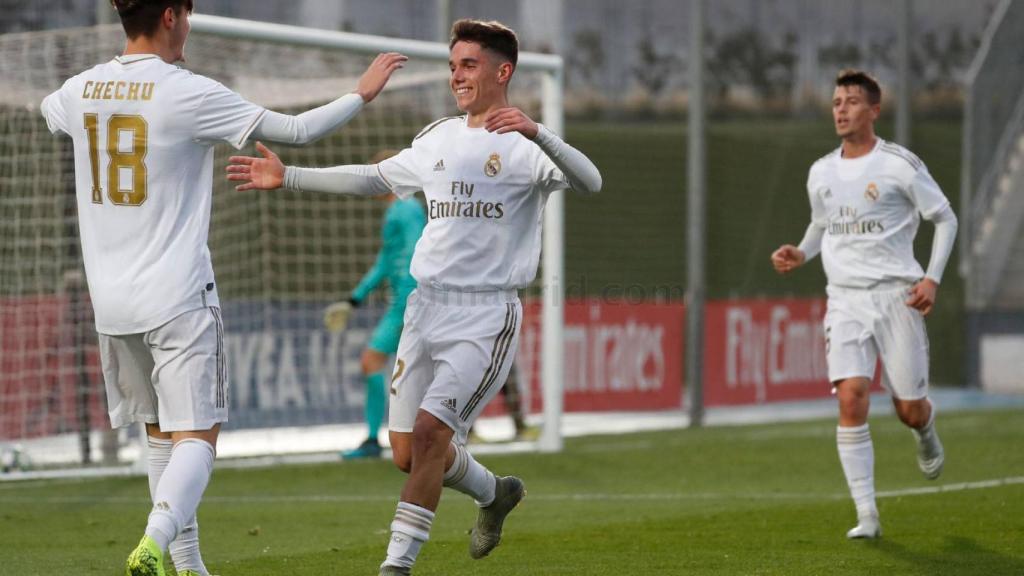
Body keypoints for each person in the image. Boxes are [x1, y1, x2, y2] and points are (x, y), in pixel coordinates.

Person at [40, 1, 405, 574]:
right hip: (178, 297)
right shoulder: (185, 91)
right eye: (187, 13)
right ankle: (153, 544)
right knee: (198, 440)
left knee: (162, 438)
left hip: (110, 303)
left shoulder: (81, 88)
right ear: (168, 16)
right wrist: (360, 94)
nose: (190, 25)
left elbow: (49, 109)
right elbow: (297, 131)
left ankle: (188, 567)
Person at [227, 18, 601, 575]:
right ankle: (494, 493)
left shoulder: (526, 146)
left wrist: (539, 132)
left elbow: (591, 181)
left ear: (504, 71)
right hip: (424, 310)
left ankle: (394, 568)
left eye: (468, 65)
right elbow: (373, 177)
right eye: (453, 66)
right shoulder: (437, 139)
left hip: (484, 316)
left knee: (429, 436)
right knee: (408, 454)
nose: (458, 76)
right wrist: (291, 177)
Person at [771, 69, 957, 540]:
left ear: (874, 110)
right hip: (845, 299)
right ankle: (868, 515)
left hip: (898, 297)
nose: (841, 109)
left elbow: (945, 218)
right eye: (836, 101)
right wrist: (801, 251)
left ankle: (925, 430)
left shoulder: (899, 165)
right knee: (851, 396)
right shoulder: (821, 171)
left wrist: (931, 279)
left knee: (908, 410)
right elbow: (822, 225)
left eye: (852, 102)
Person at [325, 149, 426, 460]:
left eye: (375, 175)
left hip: (410, 300)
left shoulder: (405, 209)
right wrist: (355, 297)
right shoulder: (399, 209)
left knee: (374, 362)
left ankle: (375, 439)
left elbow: (417, 247)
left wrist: (413, 295)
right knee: (418, 370)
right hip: (408, 299)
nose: (370, 183)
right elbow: (385, 261)